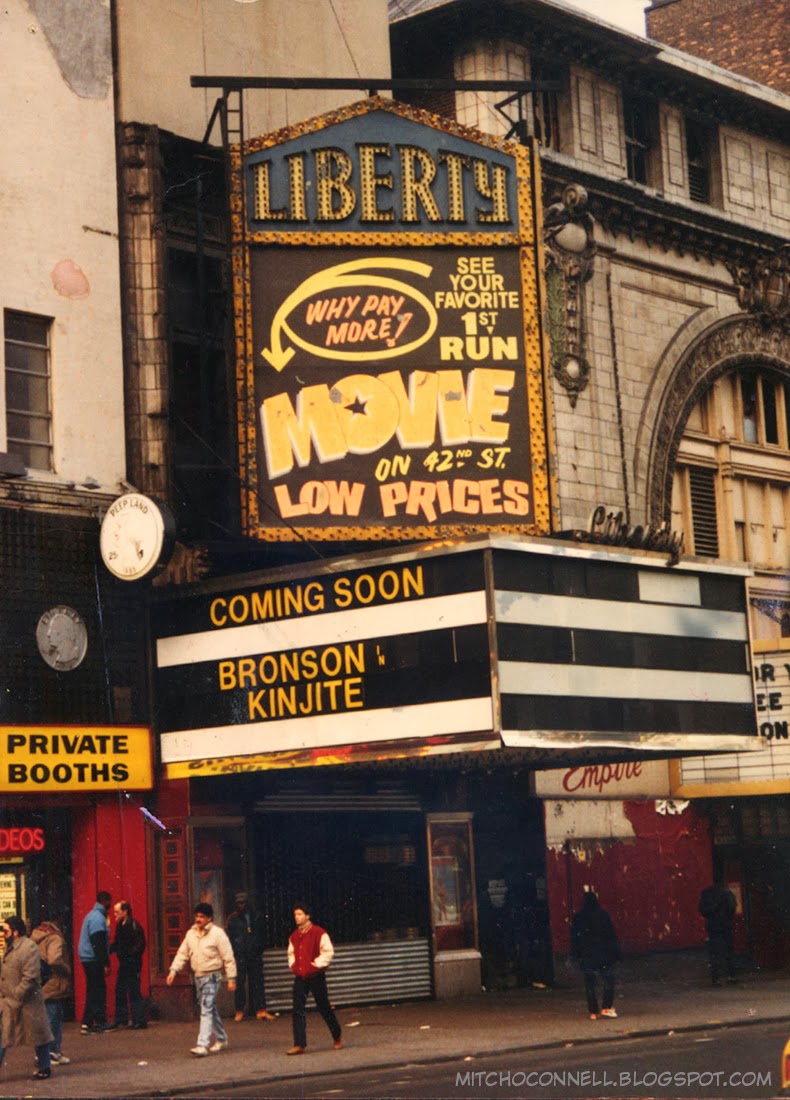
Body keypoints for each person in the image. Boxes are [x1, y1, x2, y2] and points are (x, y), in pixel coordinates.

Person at [166, 902, 237, 1056]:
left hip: (213, 976)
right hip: (198, 976)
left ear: (209, 918)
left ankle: (202, 1045)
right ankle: (221, 1038)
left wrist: (231, 978)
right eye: (197, 916)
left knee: (206, 1009)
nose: (198, 919)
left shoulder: (218, 934)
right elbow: (182, 953)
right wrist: (173, 970)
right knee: (209, 1008)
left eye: (202, 917)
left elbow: (228, 957)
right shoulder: (191, 934)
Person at [0, 916, 54, 1080]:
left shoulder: (29, 947)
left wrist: (17, 993)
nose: (3, 934)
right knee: (3, 1034)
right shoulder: (10, 947)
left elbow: (30, 977)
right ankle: (45, 1066)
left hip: (27, 1002)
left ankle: (45, 1067)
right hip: (9, 1001)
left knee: (38, 1035)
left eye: (6, 930)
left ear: (15, 932)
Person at [286, 903, 342, 1055]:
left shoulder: (319, 933)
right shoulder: (294, 936)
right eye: (295, 914)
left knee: (323, 1006)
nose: (296, 917)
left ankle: (337, 1035)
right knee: (298, 1009)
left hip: (316, 975)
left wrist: (315, 965)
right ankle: (299, 1044)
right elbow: (291, 954)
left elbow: (328, 952)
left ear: (307, 915)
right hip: (300, 976)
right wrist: (294, 967)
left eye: (299, 914)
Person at [571, 891, 621, 1020]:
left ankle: (593, 1012)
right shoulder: (603, 915)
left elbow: (575, 939)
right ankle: (606, 1007)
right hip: (603, 954)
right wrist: (616, 955)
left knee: (590, 983)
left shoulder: (578, 917)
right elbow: (611, 936)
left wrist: (576, 956)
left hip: (587, 955)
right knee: (608, 981)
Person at [226, 892, 275, 1022]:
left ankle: (261, 1010)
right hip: (240, 956)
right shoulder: (233, 919)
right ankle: (239, 1011)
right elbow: (229, 938)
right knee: (240, 984)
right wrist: (234, 952)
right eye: (239, 903)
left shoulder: (257, 916)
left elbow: (263, 935)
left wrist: (259, 948)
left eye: (243, 903)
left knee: (258, 983)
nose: (241, 905)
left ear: (248, 903)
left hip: (254, 955)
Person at [31, 917, 72, 1066]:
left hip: (41, 981)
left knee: (51, 1016)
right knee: (53, 1017)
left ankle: (49, 1052)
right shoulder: (55, 938)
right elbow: (54, 959)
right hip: (54, 981)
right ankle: (50, 1052)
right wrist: (66, 969)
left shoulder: (35, 936)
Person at [107, 900, 147, 1029]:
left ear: (125, 911)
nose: (115, 915)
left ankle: (139, 1021)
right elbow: (117, 943)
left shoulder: (134, 925)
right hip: (125, 963)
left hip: (132, 963)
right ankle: (122, 1018)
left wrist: (129, 955)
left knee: (134, 991)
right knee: (120, 990)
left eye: (117, 912)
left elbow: (140, 944)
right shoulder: (120, 925)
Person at [77, 890, 112, 1033]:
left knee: (94, 989)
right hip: (93, 959)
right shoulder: (98, 918)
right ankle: (93, 1022)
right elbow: (98, 943)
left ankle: (91, 1021)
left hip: (87, 958)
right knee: (97, 990)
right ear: (106, 902)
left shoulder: (91, 916)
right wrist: (105, 963)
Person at [699, 877, 738, 985]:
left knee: (714, 952)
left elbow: (702, 910)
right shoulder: (727, 893)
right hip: (725, 924)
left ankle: (715, 978)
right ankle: (731, 976)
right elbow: (732, 908)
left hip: (712, 925)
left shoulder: (706, 893)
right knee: (728, 950)